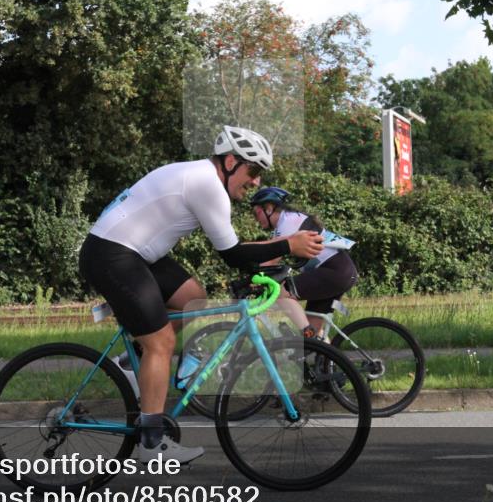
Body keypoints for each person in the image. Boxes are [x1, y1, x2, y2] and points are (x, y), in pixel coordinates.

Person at [78, 127, 324, 464]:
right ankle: (151, 441)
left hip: (136, 253)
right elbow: (233, 253)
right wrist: (289, 244)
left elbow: (236, 252)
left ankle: (128, 366)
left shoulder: (201, 176)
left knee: (193, 298)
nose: (255, 182)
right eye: (253, 171)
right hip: (113, 255)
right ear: (230, 161)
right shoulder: (207, 184)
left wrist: (263, 268)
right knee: (161, 342)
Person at [249, 186, 358, 339]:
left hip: (334, 272)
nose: (255, 219)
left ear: (268, 208)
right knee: (314, 341)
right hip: (337, 272)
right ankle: (327, 357)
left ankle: (308, 334)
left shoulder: (287, 222)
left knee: (278, 291)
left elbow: (269, 262)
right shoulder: (290, 219)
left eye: (256, 213)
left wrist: (249, 280)